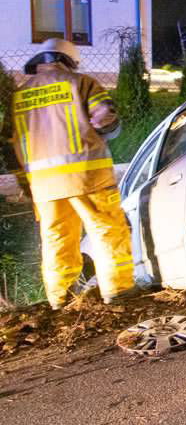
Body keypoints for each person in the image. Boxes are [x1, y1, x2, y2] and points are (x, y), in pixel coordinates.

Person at [2, 39, 136, 309]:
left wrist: (25, 184)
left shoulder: (19, 95)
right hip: (88, 176)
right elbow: (103, 118)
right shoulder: (80, 82)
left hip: (44, 186)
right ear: (68, 60)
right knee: (108, 231)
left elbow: (8, 144)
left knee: (56, 241)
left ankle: (61, 299)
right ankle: (118, 292)